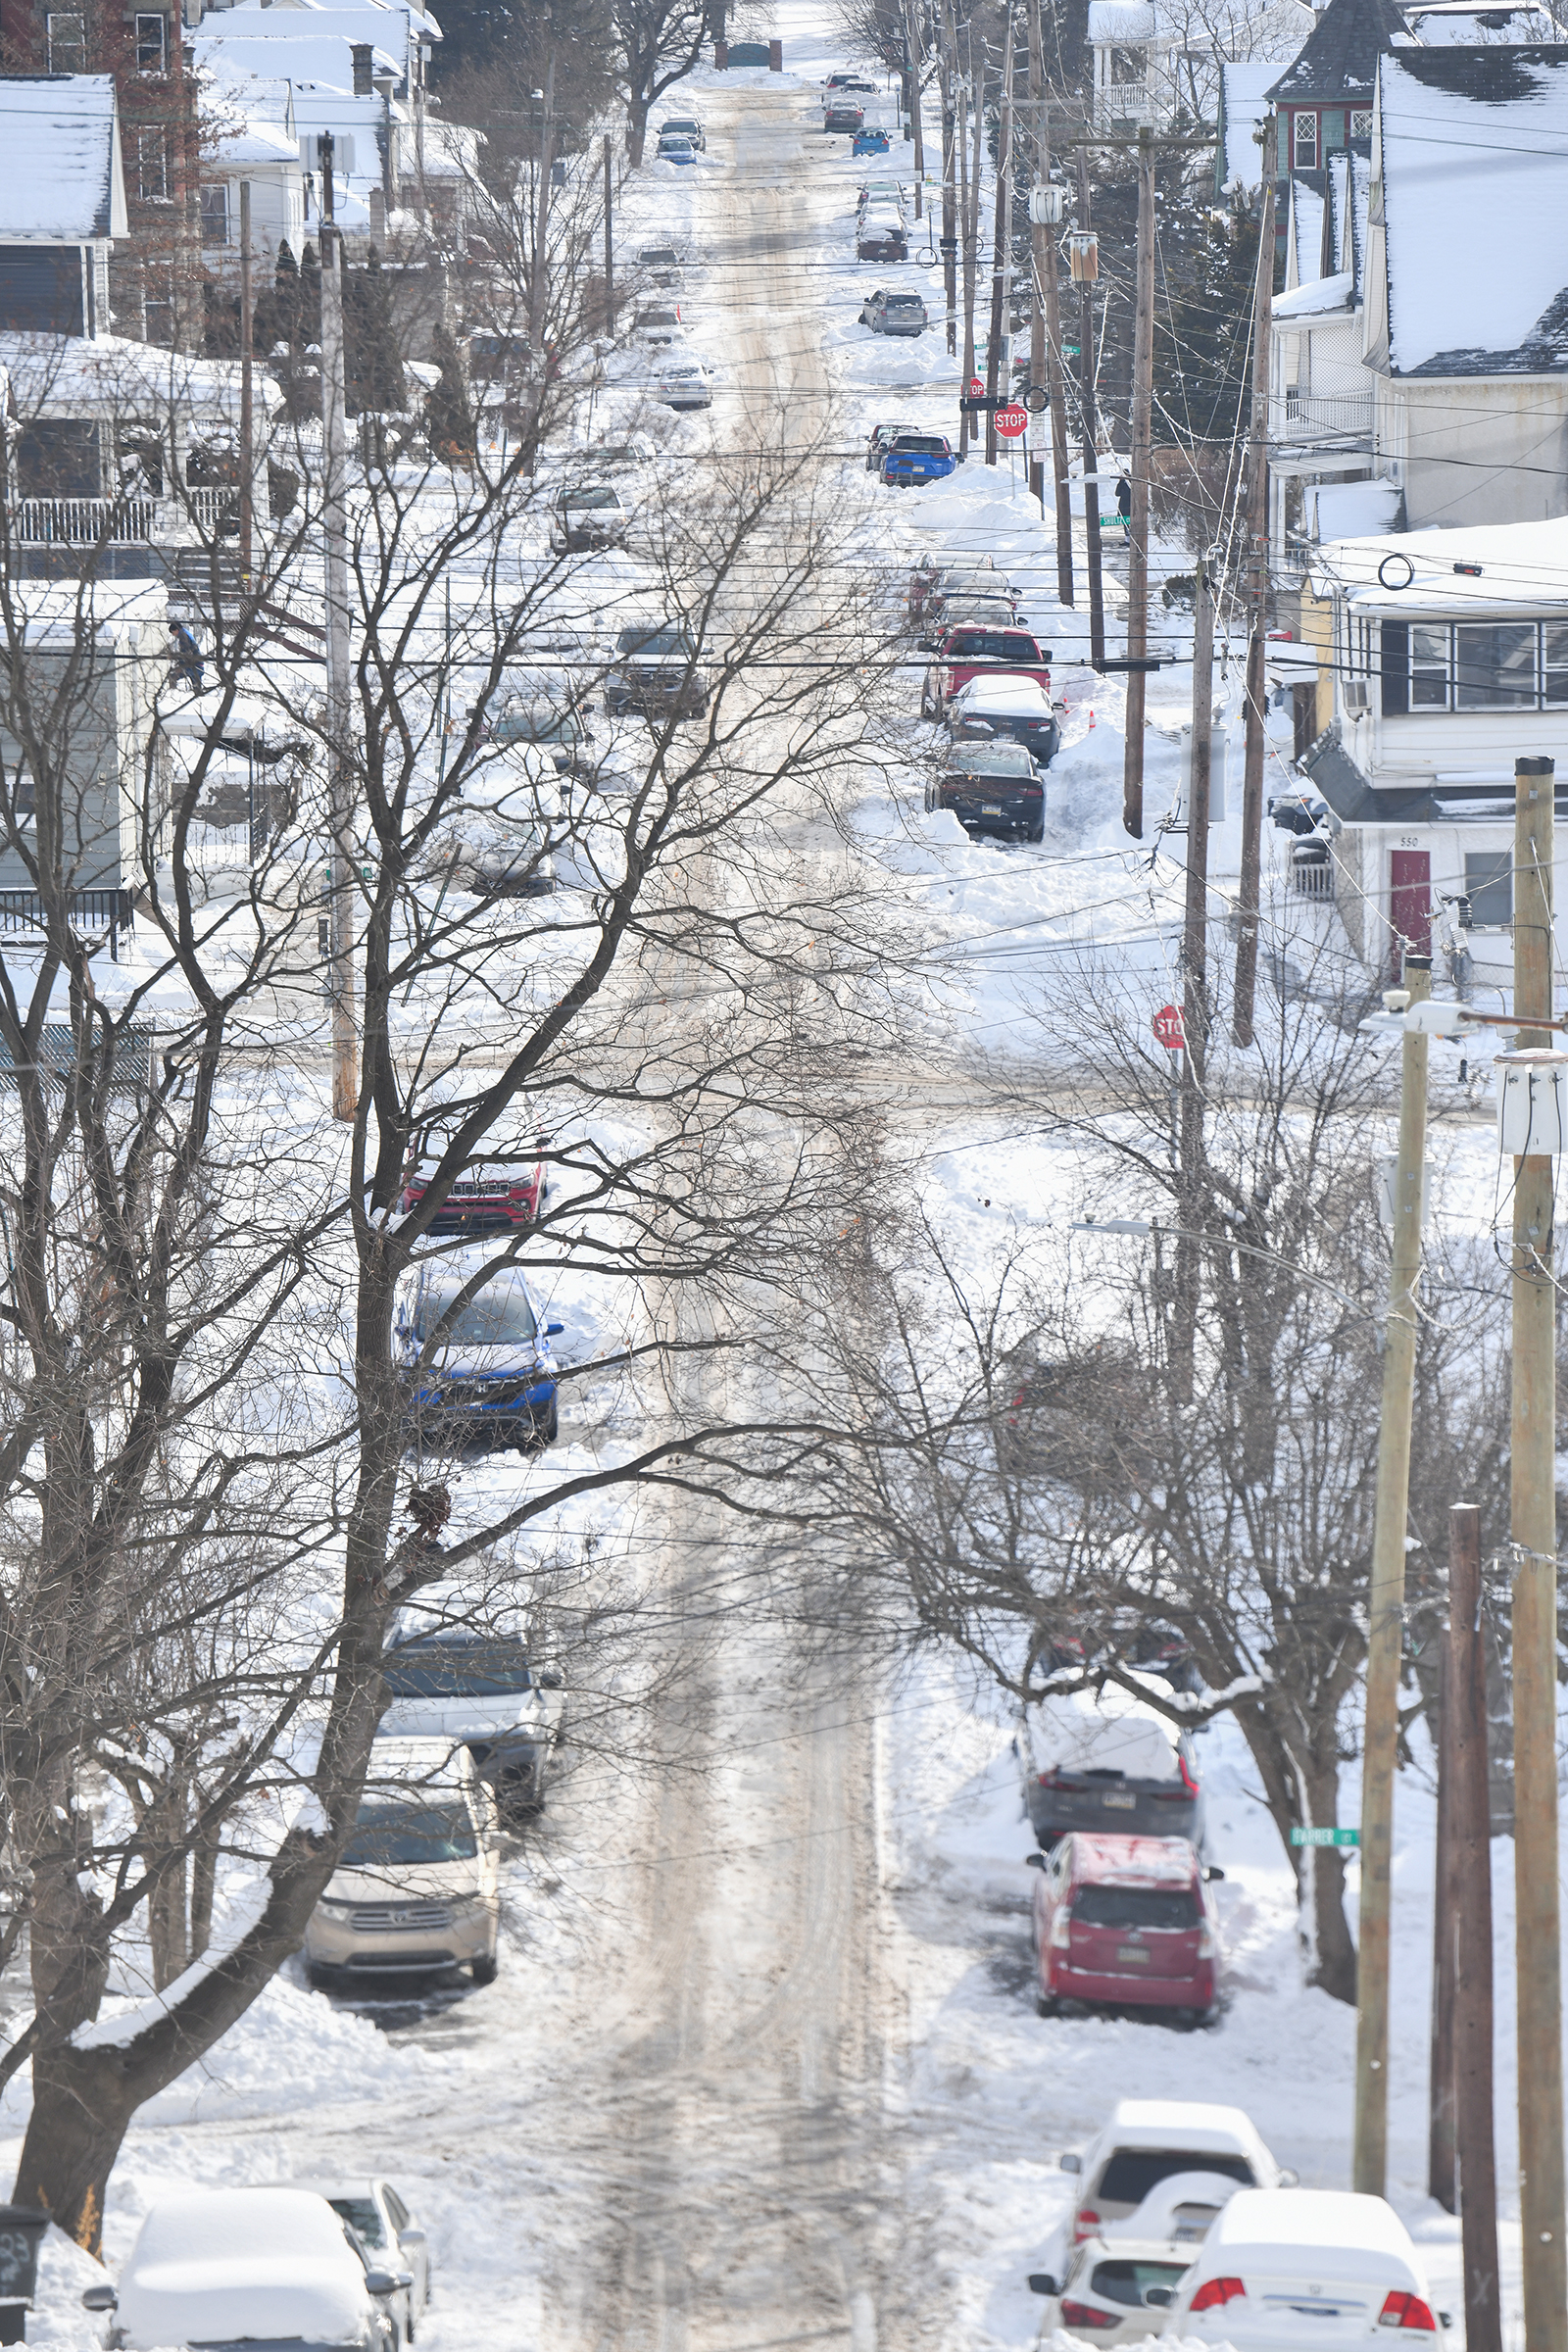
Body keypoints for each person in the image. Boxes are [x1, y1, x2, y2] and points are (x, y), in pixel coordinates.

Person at [170, 620, 205, 691]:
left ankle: (172, 693)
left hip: (194, 665)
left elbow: (185, 652)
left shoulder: (183, 636)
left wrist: (181, 663)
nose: (173, 635)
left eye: (173, 632)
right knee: (197, 687)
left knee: (173, 676)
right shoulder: (186, 633)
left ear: (176, 630)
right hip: (198, 663)